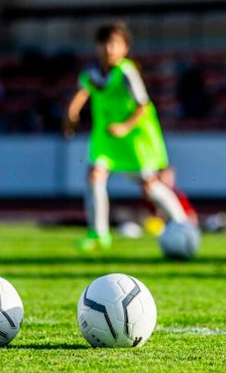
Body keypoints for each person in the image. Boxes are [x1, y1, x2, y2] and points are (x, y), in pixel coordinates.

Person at [65, 22, 190, 251]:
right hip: (107, 137)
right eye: (104, 44)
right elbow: (81, 94)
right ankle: (98, 233)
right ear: (97, 47)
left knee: (149, 186)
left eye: (115, 44)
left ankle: (182, 222)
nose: (109, 49)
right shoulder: (91, 74)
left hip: (135, 136)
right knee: (94, 176)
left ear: (125, 48)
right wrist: (71, 115)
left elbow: (142, 105)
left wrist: (124, 127)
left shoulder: (127, 71)